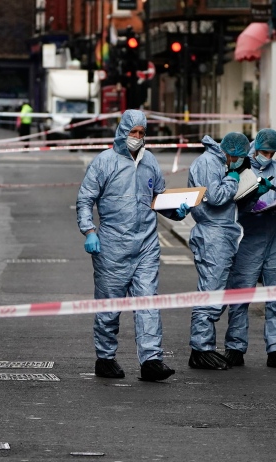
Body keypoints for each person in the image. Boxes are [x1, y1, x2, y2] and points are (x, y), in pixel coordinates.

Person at [76, 109, 179, 382]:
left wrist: (176, 211)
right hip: (111, 245)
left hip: (145, 244)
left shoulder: (150, 162)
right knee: (109, 306)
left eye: (141, 133)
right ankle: (105, 358)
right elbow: (85, 199)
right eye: (133, 132)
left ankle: (151, 360)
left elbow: (158, 197)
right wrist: (89, 230)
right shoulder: (104, 162)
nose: (137, 137)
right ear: (122, 132)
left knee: (148, 303)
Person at [223, 128, 276, 369]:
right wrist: (253, 201)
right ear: (255, 147)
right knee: (240, 294)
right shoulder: (242, 170)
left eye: (271, 152)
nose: (267, 155)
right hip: (250, 239)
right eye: (264, 150)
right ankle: (235, 347)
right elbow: (233, 203)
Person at [184, 132, 251, 370]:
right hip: (213, 234)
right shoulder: (208, 163)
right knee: (210, 291)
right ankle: (200, 350)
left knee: (217, 291)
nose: (241, 161)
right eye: (239, 157)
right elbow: (215, 196)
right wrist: (233, 178)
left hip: (223, 233)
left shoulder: (219, 161)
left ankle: (204, 347)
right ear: (231, 152)